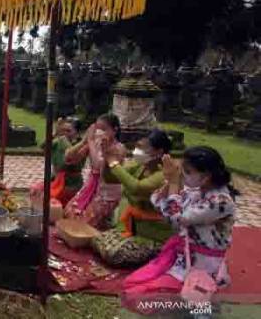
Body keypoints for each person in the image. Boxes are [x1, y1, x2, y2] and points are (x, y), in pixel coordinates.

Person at [122, 146, 237, 306]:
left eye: (188, 172)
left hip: (203, 266)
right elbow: (157, 200)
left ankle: (203, 308)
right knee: (134, 284)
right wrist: (170, 182)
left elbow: (178, 218)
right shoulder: (197, 192)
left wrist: (175, 184)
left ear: (206, 177)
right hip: (183, 258)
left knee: (144, 298)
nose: (183, 175)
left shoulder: (221, 202)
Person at [92, 129, 174, 267]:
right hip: (132, 229)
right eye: (137, 146)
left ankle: (158, 254)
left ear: (159, 152)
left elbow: (136, 188)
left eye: (143, 148)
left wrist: (113, 162)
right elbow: (110, 178)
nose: (137, 151)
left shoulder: (164, 174)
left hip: (154, 235)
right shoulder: (140, 166)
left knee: (114, 254)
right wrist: (107, 159)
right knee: (96, 240)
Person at [64, 113, 127, 230]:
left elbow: (98, 166)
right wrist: (84, 141)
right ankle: (102, 223)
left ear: (115, 130)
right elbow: (70, 157)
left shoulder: (119, 149)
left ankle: (105, 223)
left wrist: (91, 142)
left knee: (83, 224)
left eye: (104, 129)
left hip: (107, 194)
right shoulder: (96, 142)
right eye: (97, 129)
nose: (99, 132)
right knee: (69, 212)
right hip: (90, 188)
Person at [30, 117, 85, 206]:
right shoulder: (58, 142)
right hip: (55, 180)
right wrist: (55, 134)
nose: (64, 134)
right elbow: (43, 147)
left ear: (77, 133)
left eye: (68, 131)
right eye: (62, 130)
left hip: (70, 184)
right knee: (35, 190)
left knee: (49, 201)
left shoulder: (81, 146)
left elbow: (72, 161)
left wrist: (64, 141)